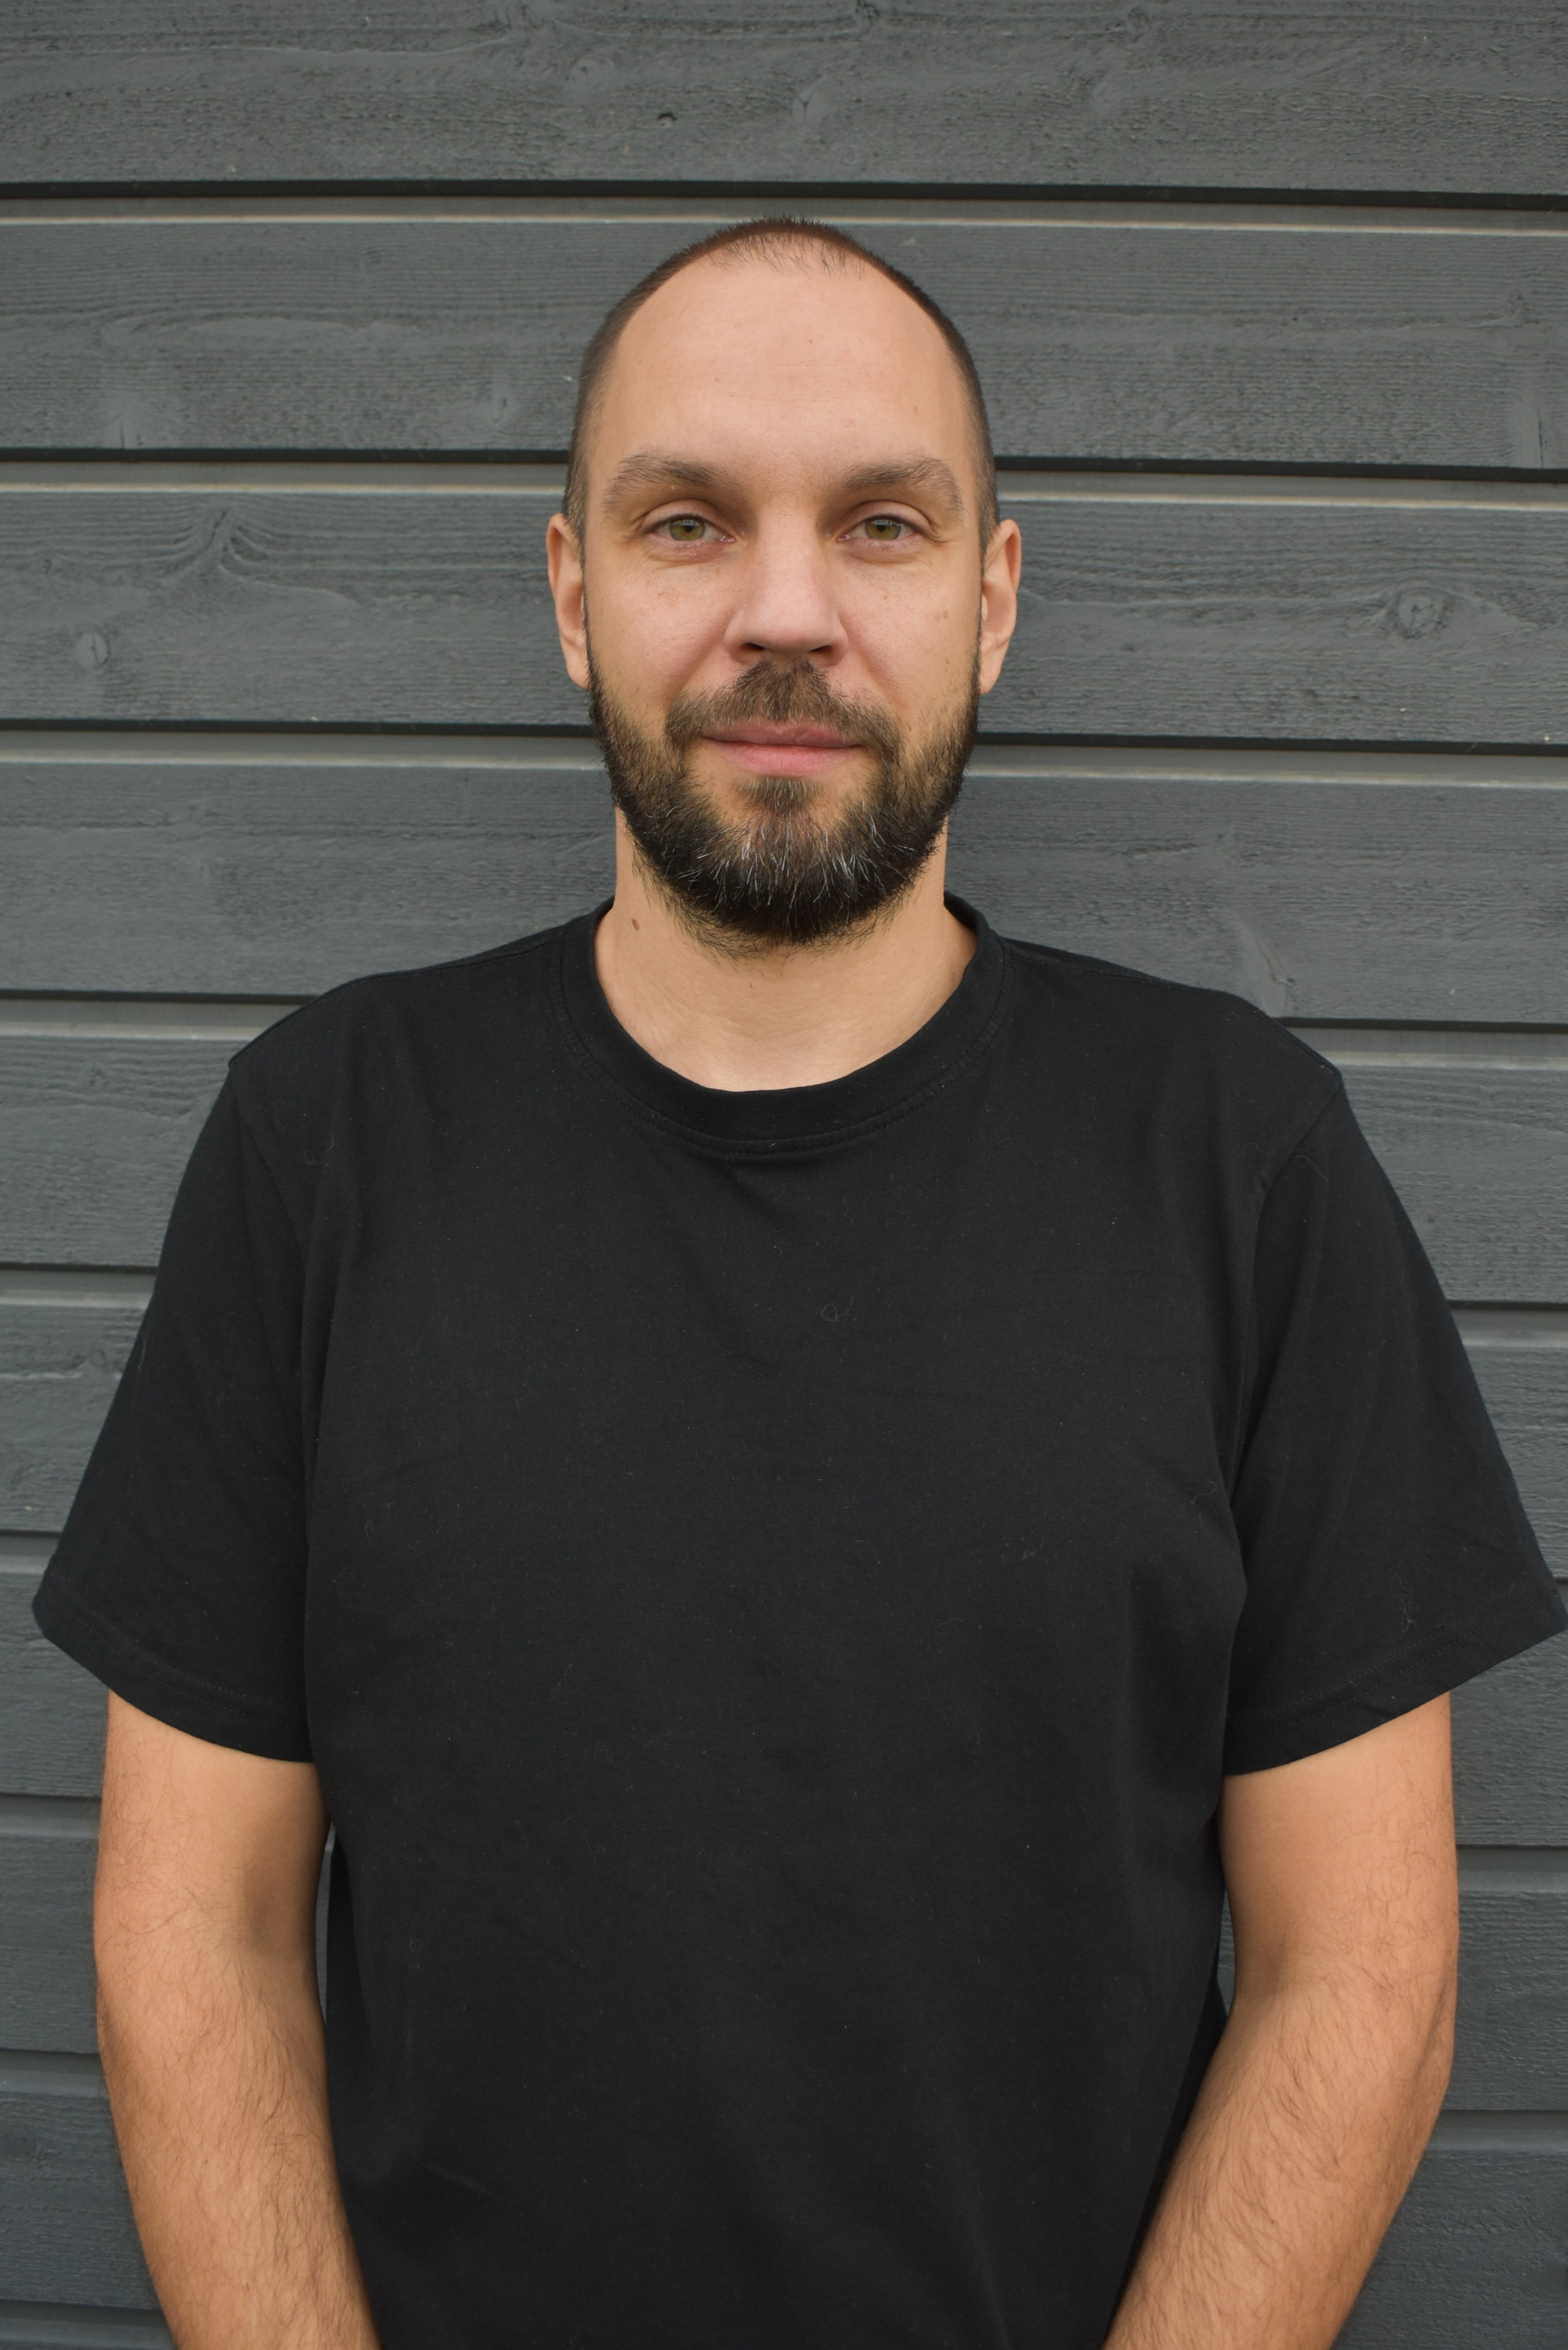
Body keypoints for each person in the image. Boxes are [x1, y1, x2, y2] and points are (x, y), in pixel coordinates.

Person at [35, 220, 1565, 2350]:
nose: (785, 612)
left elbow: (1362, 1972)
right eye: (685, 522)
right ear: (572, 596)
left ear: (992, 602)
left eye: (879, 524)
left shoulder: (1239, 1161)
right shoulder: (328, 1143)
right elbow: (190, 1931)